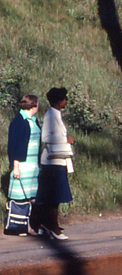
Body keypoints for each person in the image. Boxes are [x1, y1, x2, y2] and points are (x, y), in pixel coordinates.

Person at [35, 87, 73, 240]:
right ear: (59, 101)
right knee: (54, 197)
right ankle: (54, 229)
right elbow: (46, 137)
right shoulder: (51, 115)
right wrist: (66, 140)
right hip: (52, 163)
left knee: (52, 197)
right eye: (64, 98)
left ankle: (46, 225)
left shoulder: (56, 114)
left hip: (58, 161)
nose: (66, 101)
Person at [6, 94, 41, 236]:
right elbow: (14, 145)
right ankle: (19, 226)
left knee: (31, 198)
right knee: (21, 198)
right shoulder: (19, 121)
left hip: (33, 166)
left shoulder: (34, 120)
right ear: (34, 105)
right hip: (23, 166)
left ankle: (28, 225)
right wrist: (16, 167)